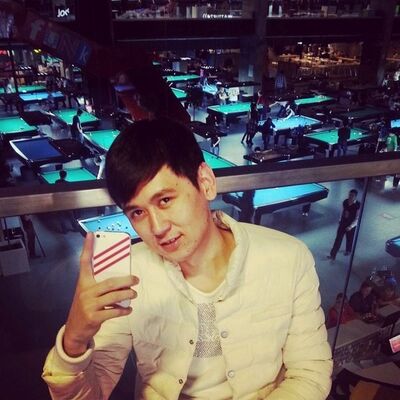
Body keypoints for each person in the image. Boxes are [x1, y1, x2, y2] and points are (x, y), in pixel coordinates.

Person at [42, 118, 332, 399]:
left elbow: (310, 373)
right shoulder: (127, 275)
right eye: (138, 212)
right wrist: (74, 342)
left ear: (205, 182)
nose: (157, 228)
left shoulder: (289, 258)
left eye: (165, 200)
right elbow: (91, 394)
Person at [327, 189, 360, 261]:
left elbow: (357, 218)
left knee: (349, 238)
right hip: (343, 223)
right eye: (349, 195)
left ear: (355, 197)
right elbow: (342, 211)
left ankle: (348, 250)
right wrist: (340, 220)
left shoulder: (357, 205)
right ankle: (332, 255)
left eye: (352, 195)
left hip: (351, 225)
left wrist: (351, 226)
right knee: (338, 239)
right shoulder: (345, 202)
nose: (350, 196)